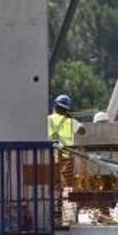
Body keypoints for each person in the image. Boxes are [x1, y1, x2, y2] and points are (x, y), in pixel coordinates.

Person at [47, 94, 85, 225]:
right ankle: (65, 217)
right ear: (67, 109)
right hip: (66, 159)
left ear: (54, 106)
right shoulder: (70, 122)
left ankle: (54, 215)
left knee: (53, 187)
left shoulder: (48, 120)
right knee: (66, 188)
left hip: (50, 158)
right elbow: (82, 130)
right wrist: (72, 119)